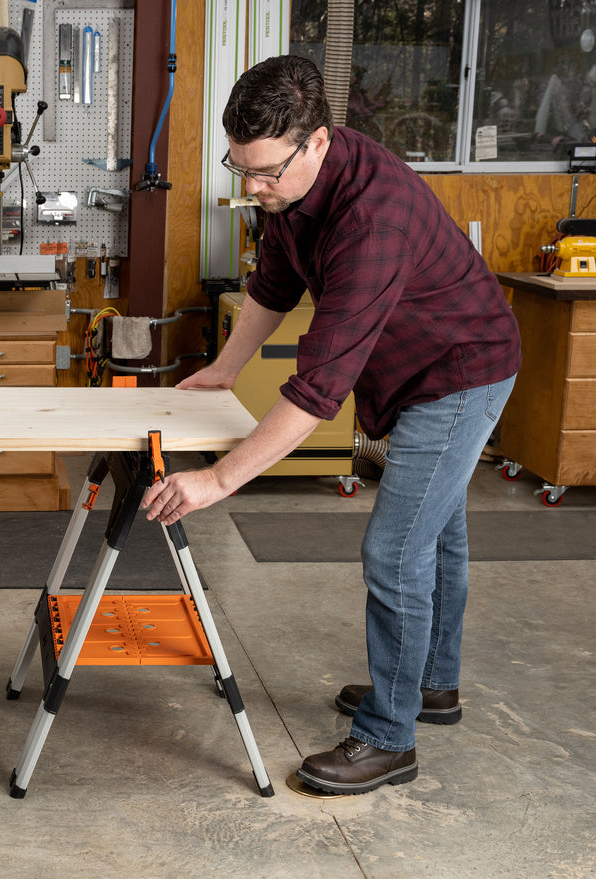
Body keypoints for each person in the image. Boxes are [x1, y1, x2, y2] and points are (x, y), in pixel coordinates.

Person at [140, 55, 521, 795]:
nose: (253, 187)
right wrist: (225, 367)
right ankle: (431, 684)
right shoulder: (293, 188)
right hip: (417, 365)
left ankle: (390, 738)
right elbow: (274, 282)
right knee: (437, 531)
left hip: (459, 372)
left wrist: (218, 480)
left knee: (395, 550)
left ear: (317, 140)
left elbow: (318, 388)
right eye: (240, 167)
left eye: (265, 172)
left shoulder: (372, 217)